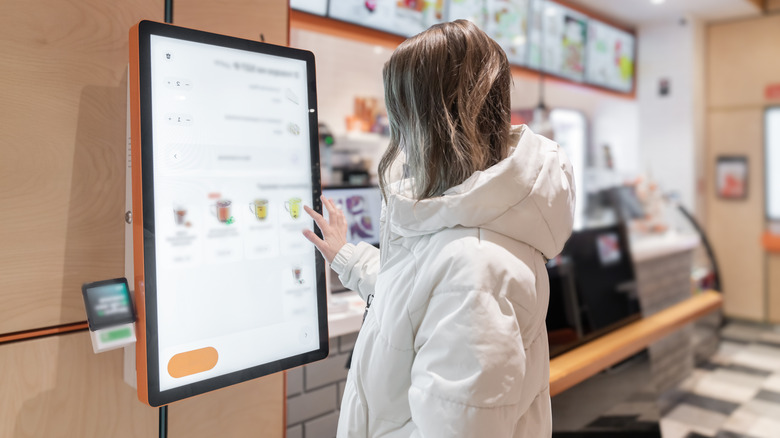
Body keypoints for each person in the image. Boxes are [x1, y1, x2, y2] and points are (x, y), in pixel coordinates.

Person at [303, 19, 575, 438]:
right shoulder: (469, 224)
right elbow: (419, 296)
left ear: (431, 122)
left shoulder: (475, 267)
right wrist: (348, 257)